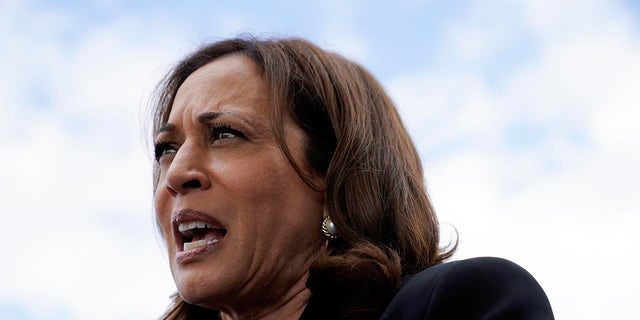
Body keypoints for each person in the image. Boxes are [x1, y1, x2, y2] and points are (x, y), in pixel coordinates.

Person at [149, 36, 554, 320]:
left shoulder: (463, 303)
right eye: (167, 148)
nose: (178, 173)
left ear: (335, 180)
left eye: (225, 134)